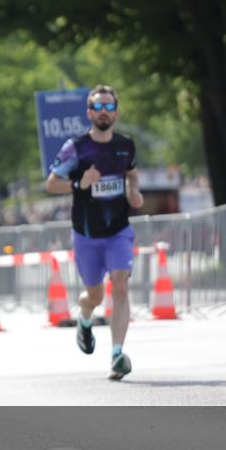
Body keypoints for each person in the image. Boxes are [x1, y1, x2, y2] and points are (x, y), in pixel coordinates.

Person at [45, 84, 143, 380]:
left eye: (109, 107)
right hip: (87, 235)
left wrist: (134, 192)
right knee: (95, 296)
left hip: (118, 231)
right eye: (98, 107)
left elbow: (132, 173)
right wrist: (80, 183)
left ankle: (117, 355)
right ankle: (85, 317)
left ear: (116, 113)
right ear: (89, 113)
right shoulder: (76, 148)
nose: (103, 112)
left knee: (120, 284)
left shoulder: (125, 146)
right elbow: (51, 183)